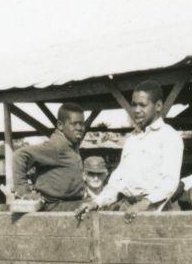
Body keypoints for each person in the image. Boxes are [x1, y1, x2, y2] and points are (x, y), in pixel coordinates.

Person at [76, 80, 183, 213]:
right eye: (134, 105)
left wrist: (145, 203)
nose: (136, 110)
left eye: (143, 105)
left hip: (155, 210)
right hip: (128, 207)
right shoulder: (132, 139)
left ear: (158, 106)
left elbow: (169, 182)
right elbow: (118, 180)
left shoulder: (169, 136)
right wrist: (96, 202)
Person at [12, 103, 86, 210]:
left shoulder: (72, 144)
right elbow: (20, 155)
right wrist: (23, 190)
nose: (79, 128)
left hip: (70, 204)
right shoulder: (56, 146)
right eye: (74, 124)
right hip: (54, 207)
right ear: (60, 125)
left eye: (82, 123)